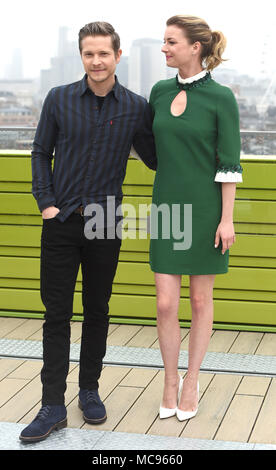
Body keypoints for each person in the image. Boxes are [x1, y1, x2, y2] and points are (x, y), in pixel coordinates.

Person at [20, 21, 157, 443]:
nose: (96, 61)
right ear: (82, 56)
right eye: (88, 53)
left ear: (118, 56)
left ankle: (90, 391)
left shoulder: (136, 107)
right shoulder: (59, 99)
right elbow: (42, 151)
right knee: (56, 315)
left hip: (104, 222)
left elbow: (156, 159)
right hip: (60, 223)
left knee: (97, 310)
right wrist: (46, 203)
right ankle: (52, 405)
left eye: (104, 53)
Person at [149, 15, 242, 421]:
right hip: (167, 208)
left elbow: (230, 164)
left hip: (206, 211)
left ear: (195, 48)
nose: (165, 49)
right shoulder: (157, 91)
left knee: (201, 300)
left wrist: (227, 219)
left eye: (171, 42)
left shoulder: (221, 98)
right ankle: (169, 379)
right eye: (164, 42)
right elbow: (145, 145)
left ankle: (192, 379)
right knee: (166, 303)